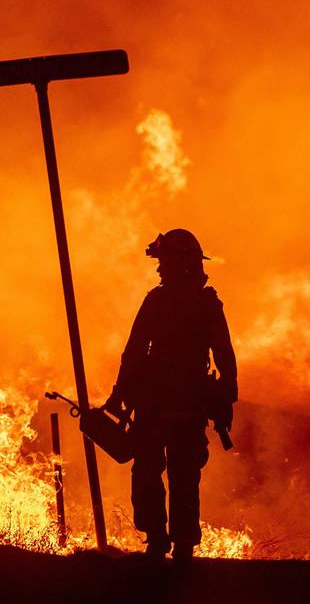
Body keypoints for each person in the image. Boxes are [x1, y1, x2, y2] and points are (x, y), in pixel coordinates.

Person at [102, 228, 237, 562]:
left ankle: (172, 542)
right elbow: (135, 351)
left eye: (164, 262)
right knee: (168, 473)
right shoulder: (177, 302)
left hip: (172, 406)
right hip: (161, 404)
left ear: (182, 264)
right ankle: (170, 542)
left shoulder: (186, 304)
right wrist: (120, 391)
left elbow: (223, 355)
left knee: (172, 473)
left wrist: (225, 398)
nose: (159, 269)